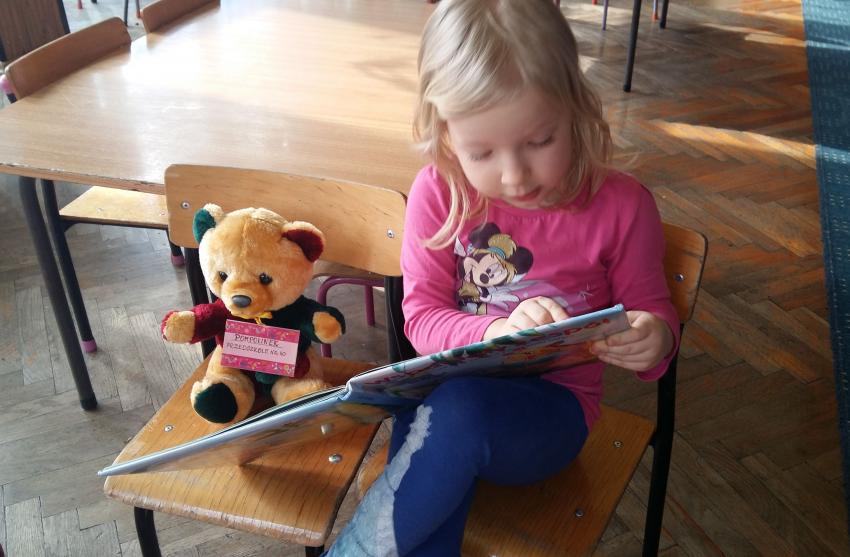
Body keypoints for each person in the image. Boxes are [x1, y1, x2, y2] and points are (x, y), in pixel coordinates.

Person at [325, 1, 678, 555]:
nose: (514, 176)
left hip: (552, 415)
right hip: (442, 405)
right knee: (435, 417)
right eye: (482, 152)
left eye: (540, 141)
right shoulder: (440, 192)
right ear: (445, 135)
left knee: (452, 414)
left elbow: (653, 319)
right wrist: (495, 332)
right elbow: (421, 319)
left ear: (576, 108)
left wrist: (652, 337)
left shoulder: (622, 206)